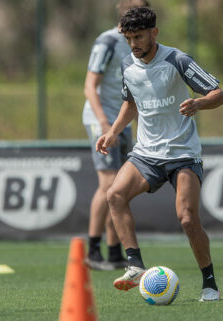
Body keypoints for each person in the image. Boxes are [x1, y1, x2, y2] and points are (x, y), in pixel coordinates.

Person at [96, 7, 223, 301]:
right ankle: (135, 265)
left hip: (182, 154)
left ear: (154, 33)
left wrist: (198, 104)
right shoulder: (128, 64)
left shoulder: (177, 60)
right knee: (115, 194)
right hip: (146, 153)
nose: (134, 45)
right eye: (129, 39)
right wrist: (113, 132)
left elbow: (219, 94)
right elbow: (131, 103)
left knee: (187, 219)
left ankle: (209, 283)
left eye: (139, 37)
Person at [82, 0, 150, 270]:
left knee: (120, 187)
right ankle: (93, 251)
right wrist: (102, 122)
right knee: (108, 184)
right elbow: (90, 86)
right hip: (101, 120)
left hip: (122, 121)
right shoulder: (108, 41)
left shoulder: (140, 42)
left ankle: (113, 252)